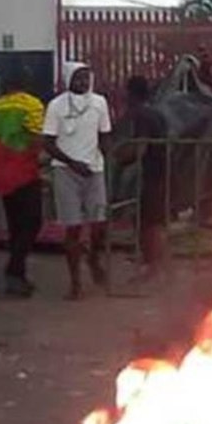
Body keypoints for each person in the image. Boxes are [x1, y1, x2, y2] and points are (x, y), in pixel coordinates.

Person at [44, 63, 113, 300]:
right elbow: (48, 143)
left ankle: (93, 258)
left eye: (87, 78)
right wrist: (73, 163)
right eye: (78, 78)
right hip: (66, 171)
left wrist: (106, 161)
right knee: (72, 228)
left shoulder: (99, 103)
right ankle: (76, 283)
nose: (84, 82)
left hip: (94, 170)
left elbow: (105, 136)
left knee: (99, 224)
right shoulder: (56, 106)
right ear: (67, 79)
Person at [0, 74, 46, 298]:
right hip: (25, 173)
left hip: (2, 174)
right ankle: (13, 270)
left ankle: (18, 275)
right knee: (32, 223)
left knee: (15, 226)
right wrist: (41, 160)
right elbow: (37, 138)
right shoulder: (31, 104)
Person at [117, 75, 171, 288]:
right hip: (161, 172)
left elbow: (141, 147)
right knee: (151, 221)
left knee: (150, 224)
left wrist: (118, 156)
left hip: (152, 176)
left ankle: (153, 269)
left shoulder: (142, 115)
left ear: (130, 93)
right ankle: (158, 267)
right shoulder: (158, 113)